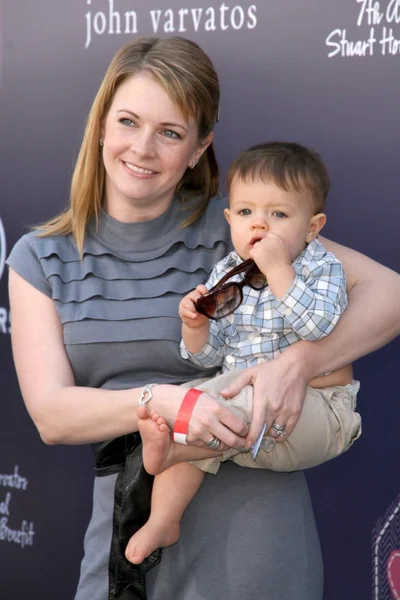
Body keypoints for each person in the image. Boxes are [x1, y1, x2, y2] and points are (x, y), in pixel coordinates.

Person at [6, 36, 400, 600]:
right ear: (100, 126)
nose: (143, 148)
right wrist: (160, 400)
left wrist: (300, 362)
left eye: (170, 132)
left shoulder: (239, 227)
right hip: (130, 535)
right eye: (128, 121)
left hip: (257, 544)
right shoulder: (42, 258)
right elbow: (52, 415)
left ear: (198, 149)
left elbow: (389, 292)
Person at [126, 141, 362, 563]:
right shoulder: (227, 272)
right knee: (197, 397)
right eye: (248, 212)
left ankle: (175, 449)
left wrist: (278, 270)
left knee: (221, 406)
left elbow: (320, 327)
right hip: (248, 417)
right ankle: (164, 519)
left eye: (279, 214)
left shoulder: (322, 267)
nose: (261, 226)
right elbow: (210, 357)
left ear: (312, 226)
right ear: (230, 219)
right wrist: (195, 327)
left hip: (318, 411)